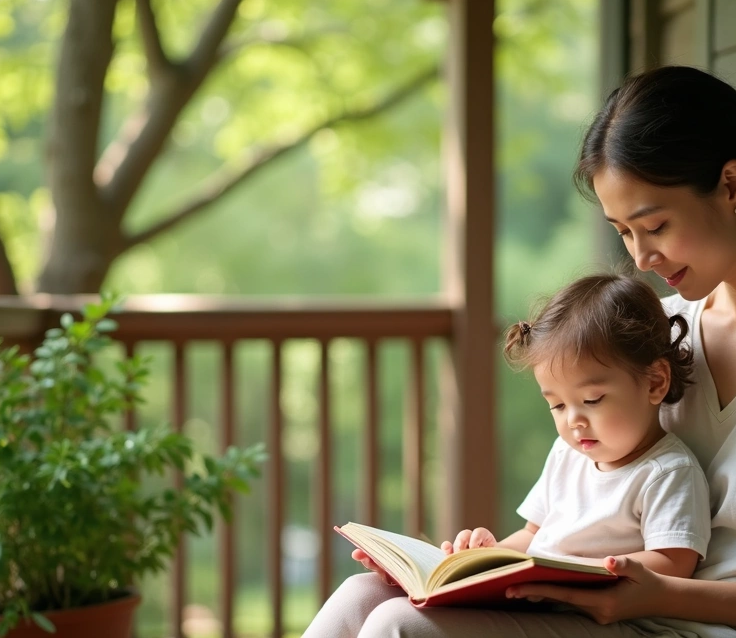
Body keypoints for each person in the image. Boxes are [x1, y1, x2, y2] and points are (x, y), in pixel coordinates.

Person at [308, 64, 736, 638]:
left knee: (402, 631)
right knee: (365, 597)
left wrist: (657, 595)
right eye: (624, 232)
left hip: (705, 627)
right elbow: (578, 505)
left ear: (733, 185)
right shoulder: (656, 328)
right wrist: (462, 572)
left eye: (655, 225)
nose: (640, 258)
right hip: (621, 614)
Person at [305, 273, 714, 637]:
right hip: (540, 603)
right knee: (362, 592)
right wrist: (490, 556)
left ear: (655, 382)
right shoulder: (567, 455)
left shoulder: (666, 471)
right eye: (557, 405)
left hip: (614, 621)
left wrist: (580, 572)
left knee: (400, 623)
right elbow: (533, 536)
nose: (574, 421)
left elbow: (673, 564)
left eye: (592, 399)